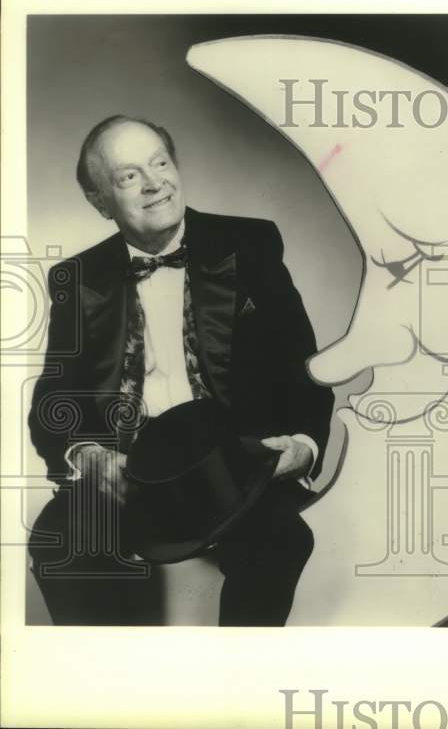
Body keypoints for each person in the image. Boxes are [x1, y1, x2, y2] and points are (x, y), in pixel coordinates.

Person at [27, 115, 335, 625]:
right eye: (128, 177)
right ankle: (119, 695)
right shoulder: (76, 277)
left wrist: (305, 442)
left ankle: (238, 692)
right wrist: (86, 455)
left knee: (280, 540)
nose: (154, 183)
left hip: (232, 464)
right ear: (100, 201)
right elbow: (52, 401)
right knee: (58, 546)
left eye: (160, 163)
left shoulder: (251, 244)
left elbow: (301, 366)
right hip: (133, 475)